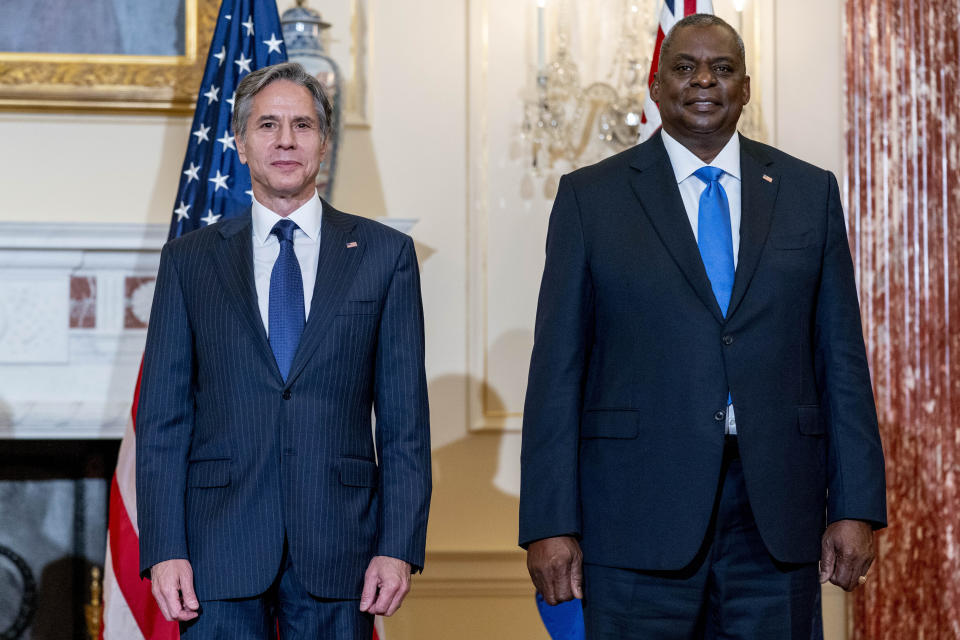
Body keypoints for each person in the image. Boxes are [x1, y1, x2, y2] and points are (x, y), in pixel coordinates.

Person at [519, 15, 886, 639]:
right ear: (656, 88)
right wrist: (549, 523)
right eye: (684, 68)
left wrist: (855, 506)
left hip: (776, 520)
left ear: (745, 88)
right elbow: (558, 369)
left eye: (722, 69)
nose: (703, 81)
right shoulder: (591, 199)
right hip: (634, 520)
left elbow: (841, 360)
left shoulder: (808, 192)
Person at [136, 62, 431, 638]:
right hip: (215, 547)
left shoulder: (384, 255)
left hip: (341, 545)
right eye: (268, 125)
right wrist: (164, 547)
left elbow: (404, 424)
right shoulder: (189, 261)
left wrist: (398, 547)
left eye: (302, 125)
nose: (286, 140)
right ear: (241, 144)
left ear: (324, 142)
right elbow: (163, 421)